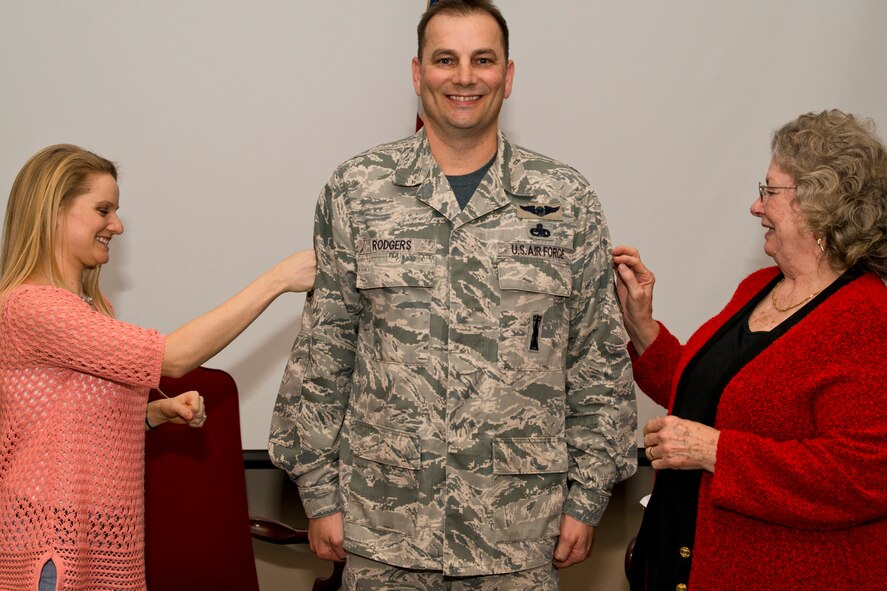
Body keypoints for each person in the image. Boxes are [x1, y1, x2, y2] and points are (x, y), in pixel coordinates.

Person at [268, 1, 636, 588]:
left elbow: (595, 357)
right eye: (445, 59)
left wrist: (587, 495)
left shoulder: (566, 200)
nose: (464, 77)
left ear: (508, 76)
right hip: (384, 529)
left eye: (482, 60)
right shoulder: (357, 190)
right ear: (417, 74)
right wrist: (317, 491)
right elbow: (325, 349)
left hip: (518, 535)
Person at [0, 143, 315, 591]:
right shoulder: (33, 308)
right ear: (53, 212)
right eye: (103, 210)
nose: (118, 225)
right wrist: (277, 280)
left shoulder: (91, 307)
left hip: (99, 543)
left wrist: (152, 415)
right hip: (54, 546)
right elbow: (174, 357)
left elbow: (69, 419)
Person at [613, 109, 887, 590]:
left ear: (818, 202)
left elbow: (863, 476)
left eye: (769, 191)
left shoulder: (869, 317)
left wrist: (717, 451)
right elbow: (709, 396)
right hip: (681, 558)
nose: (755, 208)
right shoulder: (759, 287)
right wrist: (641, 326)